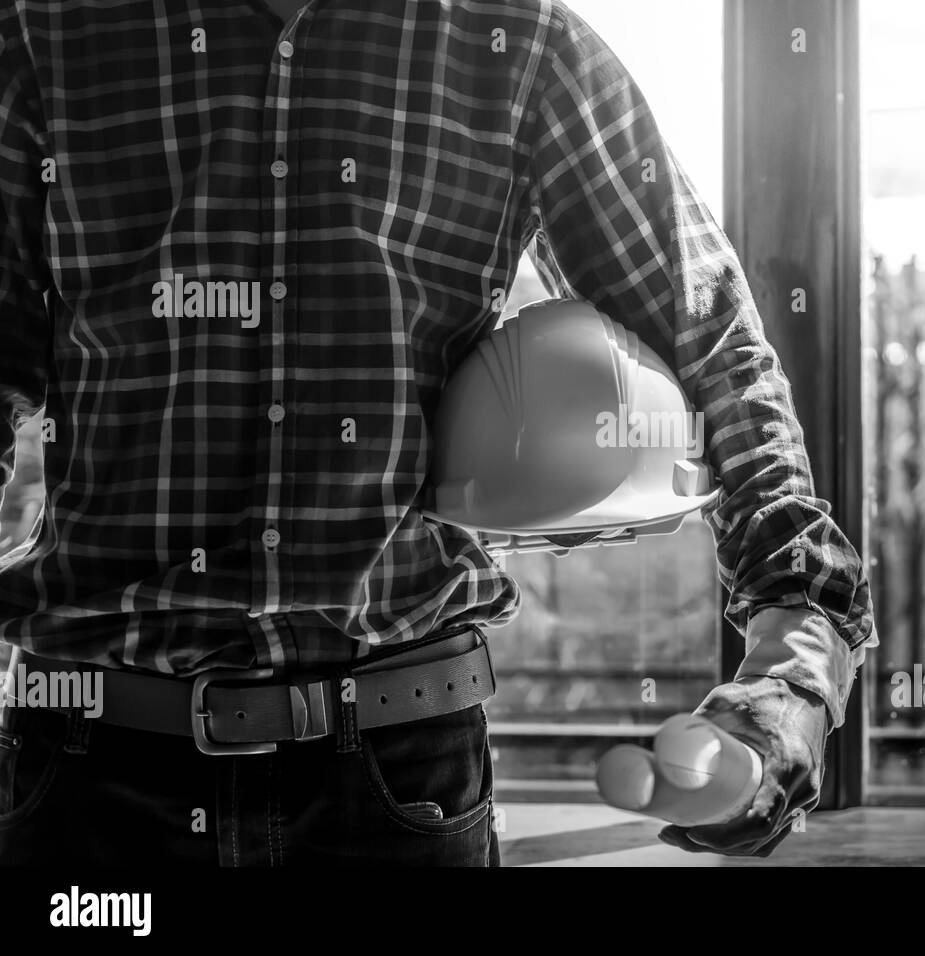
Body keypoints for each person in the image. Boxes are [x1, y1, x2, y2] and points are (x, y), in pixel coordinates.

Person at [0, 0, 874, 865]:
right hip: (85, 774)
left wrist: (795, 665)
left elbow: (710, 342)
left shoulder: (522, 43)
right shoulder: (44, 29)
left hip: (397, 782)